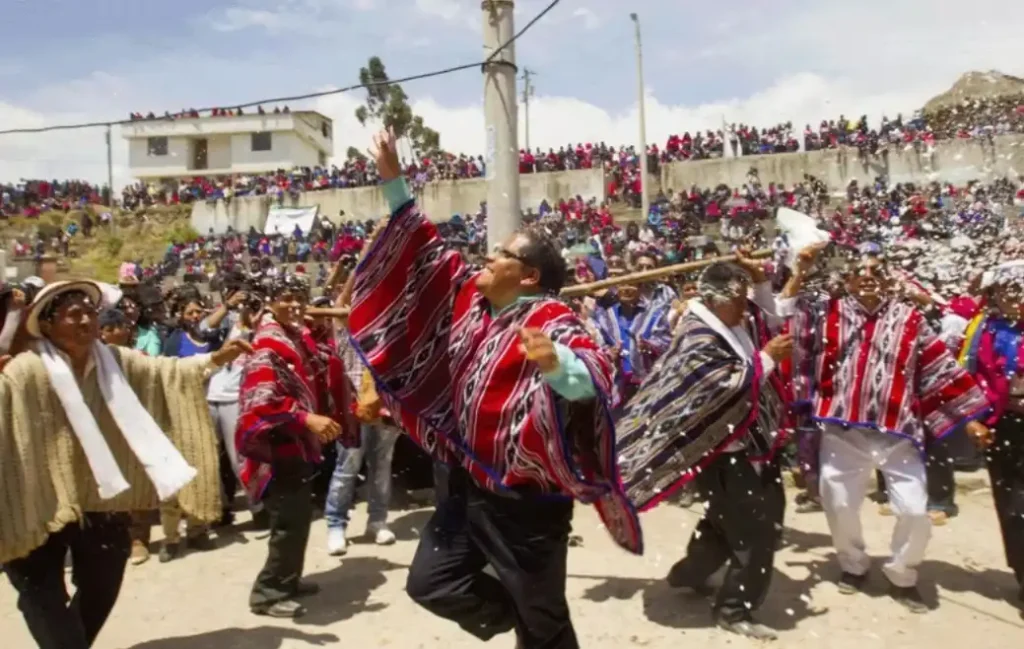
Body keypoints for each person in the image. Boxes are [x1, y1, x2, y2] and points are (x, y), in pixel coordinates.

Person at [348, 129, 642, 649]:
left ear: (527, 276)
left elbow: (594, 374)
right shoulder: (468, 300)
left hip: (524, 501)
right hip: (464, 482)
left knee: (544, 626)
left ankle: (532, 618)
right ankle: (513, 613)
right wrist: (394, 179)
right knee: (432, 585)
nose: (487, 254)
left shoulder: (553, 317)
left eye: (501, 252)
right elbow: (424, 248)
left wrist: (557, 365)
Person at [0, 280, 252, 649]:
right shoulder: (26, 369)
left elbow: (169, 373)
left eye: (90, 311)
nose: (87, 320)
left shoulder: (115, 361)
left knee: (103, 584)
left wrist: (216, 359)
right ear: (48, 325)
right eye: (74, 314)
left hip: (103, 499)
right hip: (42, 500)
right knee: (40, 592)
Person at [781, 244, 989, 613]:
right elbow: (782, 316)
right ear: (847, 279)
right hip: (843, 429)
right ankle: (853, 565)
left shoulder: (911, 319)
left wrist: (970, 416)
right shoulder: (825, 314)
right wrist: (799, 270)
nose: (868, 278)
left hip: (899, 431)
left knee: (913, 511)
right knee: (839, 502)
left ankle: (903, 574)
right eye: (860, 272)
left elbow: (939, 369)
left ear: (888, 278)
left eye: (876, 271)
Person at [615, 258, 791, 640]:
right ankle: (734, 608)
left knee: (730, 522)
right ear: (713, 300)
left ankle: (688, 573)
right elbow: (718, 387)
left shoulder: (733, 322)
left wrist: (761, 286)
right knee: (754, 532)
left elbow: (772, 318)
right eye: (739, 300)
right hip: (723, 451)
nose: (746, 307)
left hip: (751, 445)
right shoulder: (698, 335)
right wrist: (768, 359)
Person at [236, 273, 359, 619]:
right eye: (286, 297)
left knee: (299, 516)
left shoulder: (296, 335)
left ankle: (288, 579)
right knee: (287, 521)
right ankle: (267, 593)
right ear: (271, 301)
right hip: (279, 448)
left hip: (298, 447)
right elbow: (261, 401)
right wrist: (306, 419)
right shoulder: (267, 343)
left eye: (299, 297)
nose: (294, 304)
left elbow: (322, 354)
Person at [954, 262, 1024, 610]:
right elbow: (967, 377)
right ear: (995, 294)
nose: (1016, 297)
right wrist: (972, 420)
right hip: (1004, 427)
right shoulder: (983, 330)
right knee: (1014, 508)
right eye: (1009, 290)